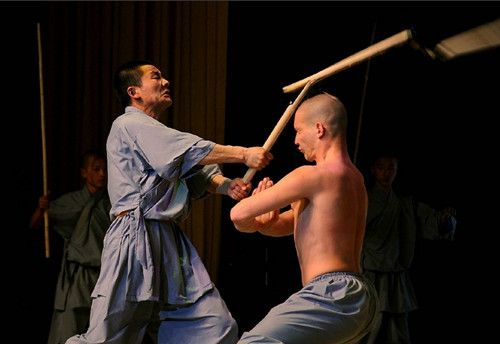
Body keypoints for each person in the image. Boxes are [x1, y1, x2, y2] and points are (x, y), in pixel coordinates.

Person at [65, 59, 273, 344]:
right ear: (133, 92)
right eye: (156, 77)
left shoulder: (156, 136)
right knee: (109, 335)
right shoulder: (128, 124)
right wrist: (242, 153)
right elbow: (182, 152)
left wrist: (227, 186)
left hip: (168, 238)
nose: (165, 82)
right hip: (134, 234)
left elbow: (193, 172)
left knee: (214, 326)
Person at [230, 92, 379, 344]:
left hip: (333, 294)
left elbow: (238, 214)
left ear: (319, 129)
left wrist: (250, 220)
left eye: (299, 130)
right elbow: (289, 225)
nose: (296, 140)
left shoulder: (311, 176)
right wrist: (264, 225)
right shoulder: (355, 179)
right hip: (362, 298)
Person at [359, 153, 457, 344]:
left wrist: (444, 220)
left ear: (396, 171)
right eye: (381, 167)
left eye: (390, 168)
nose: (386, 173)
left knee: (399, 334)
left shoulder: (405, 204)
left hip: (397, 278)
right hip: (370, 276)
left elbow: (431, 221)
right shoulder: (363, 200)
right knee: (368, 331)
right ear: (373, 170)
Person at [29, 149, 111, 344]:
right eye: (97, 169)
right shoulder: (71, 202)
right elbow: (34, 225)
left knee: (101, 334)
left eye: (105, 170)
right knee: (67, 332)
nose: (102, 174)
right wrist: (41, 209)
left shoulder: (112, 205)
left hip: (103, 277)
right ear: (84, 173)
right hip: (76, 277)